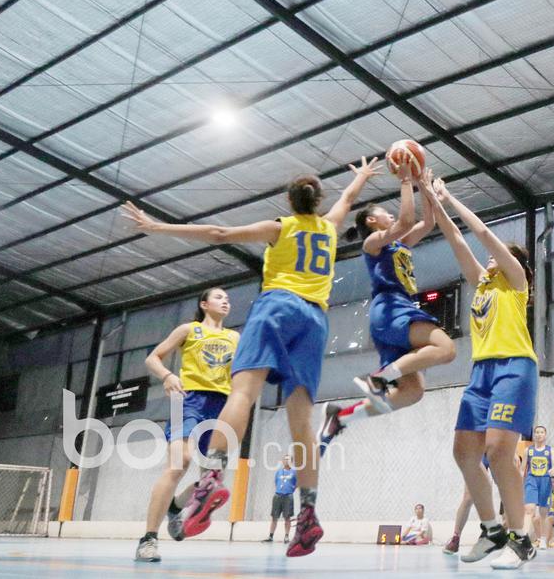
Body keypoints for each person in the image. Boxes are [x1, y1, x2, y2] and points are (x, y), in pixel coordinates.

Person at [120, 156, 381, 558]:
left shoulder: (282, 227)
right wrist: (362, 177)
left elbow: (218, 232)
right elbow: (347, 198)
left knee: (243, 392)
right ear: (317, 201)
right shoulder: (329, 227)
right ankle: (308, 511)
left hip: (278, 305)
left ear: (290, 202)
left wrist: (157, 226)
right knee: (302, 420)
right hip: (315, 319)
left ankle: (210, 478)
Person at [425, 173, 539, 569]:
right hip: (481, 373)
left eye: (499, 256)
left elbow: (483, 235)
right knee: (463, 452)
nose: (490, 258)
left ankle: (522, 539)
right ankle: (492, 529)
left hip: (514, 367)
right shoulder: (483, 285)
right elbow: (457, 241)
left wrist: (452, 198)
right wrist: (430, 195)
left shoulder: (516, 283)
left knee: (498, 450)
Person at [320, 165, 455, 441]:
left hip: (397, 311)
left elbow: (427, 223)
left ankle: (341, 417)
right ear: (371, 220)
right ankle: (380, 377)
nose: (390, 213)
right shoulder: (373, 243)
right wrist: (406, 180)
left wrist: (425, 188)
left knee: (412, 392)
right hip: (391, 309)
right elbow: (405, 222)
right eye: (383, 211)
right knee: (446, 348)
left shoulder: (400, 244)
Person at [135, 288, 237, 562]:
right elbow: (152, 358)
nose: (225, 300)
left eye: (227, 298)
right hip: (187, 399)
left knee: (213, 480)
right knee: (181, 461)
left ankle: (177, 505)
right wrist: (167, 375)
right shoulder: (188, 330)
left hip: (222, 406)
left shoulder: (235, 337)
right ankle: (148, 540)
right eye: (219, 297)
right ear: (204, 304)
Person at [522, 425, 554, 549]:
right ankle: (524, 537)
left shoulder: (550, 450)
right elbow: (523, 468)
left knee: (543, 512)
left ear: (545, 435)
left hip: (545, 481)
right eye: (536, 432)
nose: (539, 434)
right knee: (529, 509)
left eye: (541, 432)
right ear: (534, 435)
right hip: (531, 480)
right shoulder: (528, 451)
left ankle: (543, 539)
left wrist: (553, 470)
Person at [264, 455, 297, 544]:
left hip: (288, 496)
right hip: (278, 496)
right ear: (282, 461)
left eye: (289, 459)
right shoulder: (278, 472)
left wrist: (290, 490)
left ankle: (286, 537)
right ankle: (270, 536)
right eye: (285, 459)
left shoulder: (294, 472)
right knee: (274, 517)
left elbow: (296, 483)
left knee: (287, 517)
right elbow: (276, 482)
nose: (286, 461)